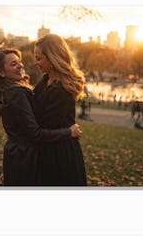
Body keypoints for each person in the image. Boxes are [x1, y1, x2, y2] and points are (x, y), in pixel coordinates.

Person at [0, 49, 82, 186]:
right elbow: (35, 134)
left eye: (19, 62)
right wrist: (69, 132)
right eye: (13, 64)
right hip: (26, 158)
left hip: (16, 155)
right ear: (1, 72)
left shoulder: (7, 91)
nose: (20, 66)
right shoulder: (17, 94)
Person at [33, 34, 87, 186]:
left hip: (59, 156)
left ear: (52, 58)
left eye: (39, 59)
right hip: (48, 151)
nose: (36, 63)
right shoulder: (46, 81)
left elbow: (40, 127)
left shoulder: (60, 90)